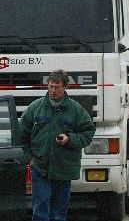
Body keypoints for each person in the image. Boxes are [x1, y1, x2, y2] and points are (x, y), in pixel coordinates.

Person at [19, 69, 96, 221]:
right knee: (40, 211)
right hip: (40, 168)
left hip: (64, 169)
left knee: (59, 214)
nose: (53, 90)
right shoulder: (35, 108)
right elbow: (22, 134)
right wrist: (30, 158)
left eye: (57, 87)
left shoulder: (75, 110)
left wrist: (70, 139)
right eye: (51, 86)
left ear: (65, 87)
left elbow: (88, 133)